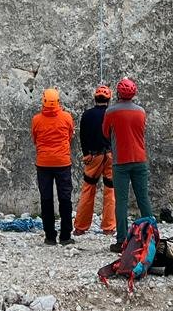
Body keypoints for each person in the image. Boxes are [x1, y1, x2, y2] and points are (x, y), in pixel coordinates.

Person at [102, 77, 154, 252]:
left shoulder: (111, 111)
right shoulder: (141, 111)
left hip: (120, 161)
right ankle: (151, 235)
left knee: (121, 202)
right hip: (140, 159)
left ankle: (121, 240)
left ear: (118, 93)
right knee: (143, 198)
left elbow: (105, 132)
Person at [31, 88, 75, 245]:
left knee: (46, 199)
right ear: (58, 102)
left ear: (43, 101)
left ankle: (50, 236)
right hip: (63, 162)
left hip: (43, 163)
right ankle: (65, 236)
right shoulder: (67, 117)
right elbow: (70, 136)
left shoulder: (36, 119)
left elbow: (35, 139)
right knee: (65, 199)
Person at [74, 85, 116, 237]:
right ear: (109, 99)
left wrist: (86, 154)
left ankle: (80, 227)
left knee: (88, 189)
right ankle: (109, 227)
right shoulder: (112, 114)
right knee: (110, 191)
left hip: (93, 156)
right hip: (110, 155)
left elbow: (83, 136)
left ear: (95, 98)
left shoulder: (87, 115)